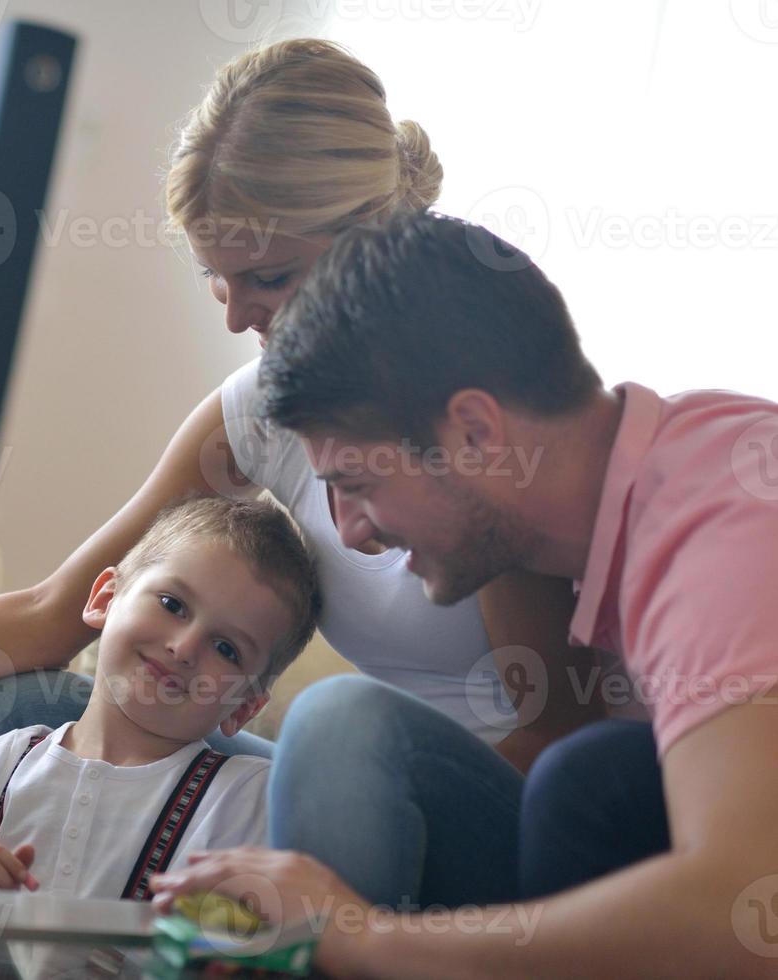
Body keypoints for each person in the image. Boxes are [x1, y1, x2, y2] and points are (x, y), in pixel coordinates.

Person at [0, 39, 603, 909]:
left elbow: (555, 743)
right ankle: (0, 953)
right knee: (35, 708)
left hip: (489, 825)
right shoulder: (257, 410)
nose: (238, 318)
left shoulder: (479, 427)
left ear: (369, 245)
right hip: (342, 794)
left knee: (340, 721)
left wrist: (306, 833)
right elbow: (59, 613)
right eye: (217, 283)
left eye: (269, 278)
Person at [150, 209, 778, 977]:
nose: (351, 533)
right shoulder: (664, 478)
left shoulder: (723, 531)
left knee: (584, 780)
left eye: (357, 483)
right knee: (583, 782)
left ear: (474, 431)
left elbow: (746, 911)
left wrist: (359, 936)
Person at [0, 495, 319, 978]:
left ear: (245, 706)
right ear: (103, 599)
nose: (182, 648)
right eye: (173, 604)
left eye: (226, 648)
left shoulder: (246, 802)